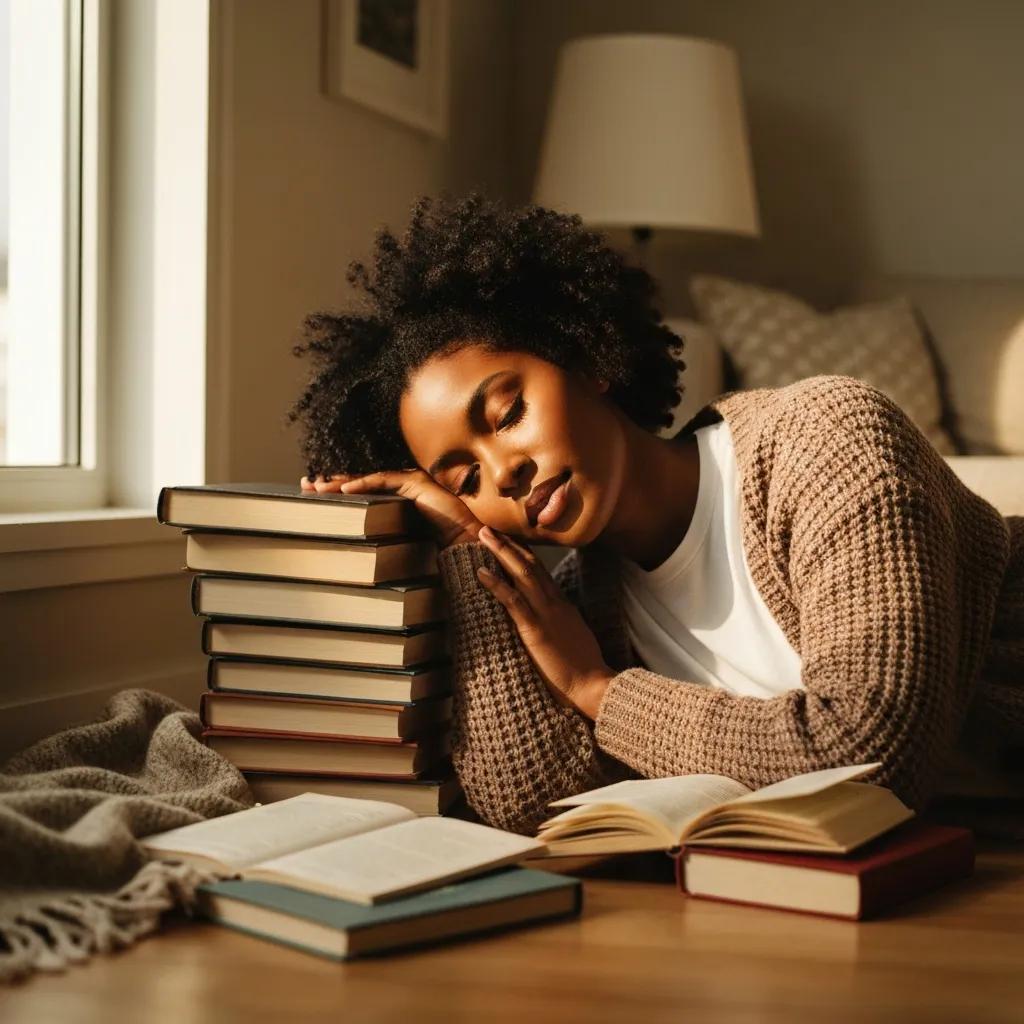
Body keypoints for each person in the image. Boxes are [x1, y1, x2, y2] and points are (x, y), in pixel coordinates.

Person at [287, 191, 1023, 836]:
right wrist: (466, 546)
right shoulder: (584, 602)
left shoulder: (823, 440)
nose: (503, 473)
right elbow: (533, 807)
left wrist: (598, 691)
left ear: (585, 359)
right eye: (466, 477)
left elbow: (872, 759)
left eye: (508, 413)